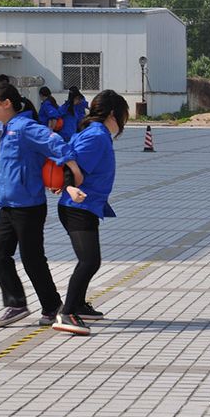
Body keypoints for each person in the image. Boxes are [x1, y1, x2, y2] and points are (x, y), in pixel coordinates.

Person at [0, 80, 84, 328]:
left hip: (28, 206)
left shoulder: (24, 127)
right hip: (9, 204)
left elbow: (54, 142)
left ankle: (52, 307)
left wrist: (71, 165)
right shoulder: (7, 127)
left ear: (6, 103)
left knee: (32, 258)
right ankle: (16, 302)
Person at [53, 90, 129, 336]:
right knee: (89, 260)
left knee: (89, 259)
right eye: (123, 114)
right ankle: (67, 312)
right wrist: (69, 186)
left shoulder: (99, 134)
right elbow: (72, 162)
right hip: (77, 207)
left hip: (85, 206)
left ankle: (80, 305)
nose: (125, 120)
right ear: (112, 113)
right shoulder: (96, 135)